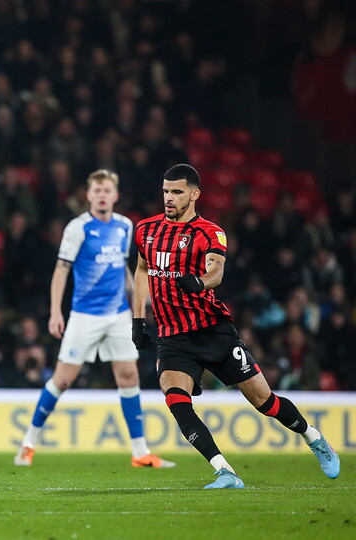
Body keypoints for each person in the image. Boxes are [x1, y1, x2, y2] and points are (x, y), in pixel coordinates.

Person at [131, 163, 340, 488]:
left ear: (195, 194)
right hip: (172, 337)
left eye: (176, 192)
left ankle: (313, 438)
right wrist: (137, 319)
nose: (169, 198)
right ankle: (224, 471)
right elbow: (142, 270)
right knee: (176, 401)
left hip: (213, 332)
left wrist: (199, 283)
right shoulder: (145, 229)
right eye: (165, 191)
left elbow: (216, 272)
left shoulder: (209, 232)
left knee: (265, 402)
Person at [15, 170, 174, 469]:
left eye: (107, 190)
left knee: (128, 376)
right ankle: (28, 443)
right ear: (88, 196)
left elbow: (123, 268)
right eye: (97, 190)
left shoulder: (126, 226)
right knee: (62, 380)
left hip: (117, 315)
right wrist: (55, 311)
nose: (102, 195)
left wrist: (140, 300)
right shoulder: (78, 228)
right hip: (84, 316)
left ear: (115, 195)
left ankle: (140, 453)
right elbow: (61, 270)